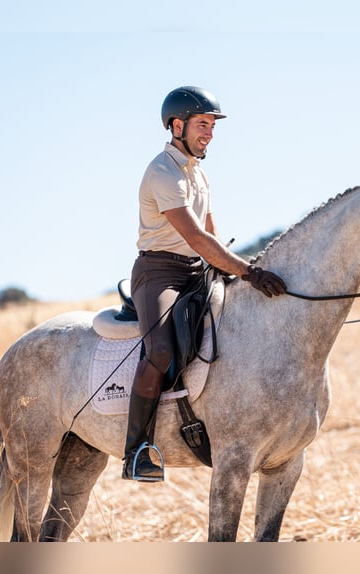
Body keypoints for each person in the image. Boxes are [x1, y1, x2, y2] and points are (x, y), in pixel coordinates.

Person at [122, 86, 286, 481]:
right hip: (159, 272)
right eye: (202, 124)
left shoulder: (200, 174)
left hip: (198, 269)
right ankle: (137, 450)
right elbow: (195, 237)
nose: (209, 133)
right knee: (160, 350)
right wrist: (249, 271)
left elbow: (211, 235)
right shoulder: (163, 172)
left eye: (212, 126)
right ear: (177, 126)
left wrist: (233, 270)